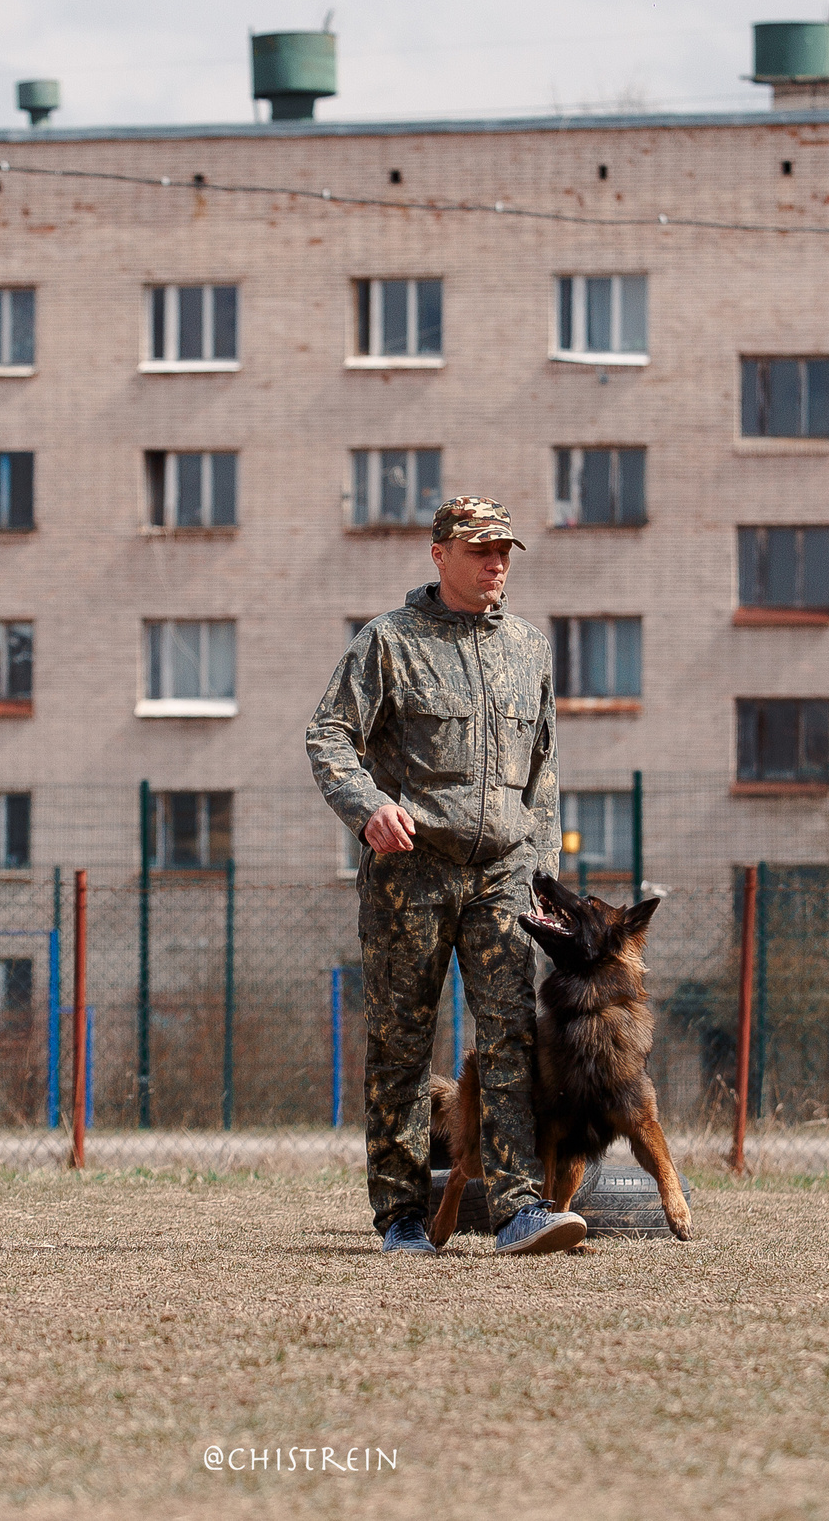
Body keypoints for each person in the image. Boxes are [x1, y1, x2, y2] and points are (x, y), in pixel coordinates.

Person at [305, 497, 581, 1256]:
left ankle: (521, 1205)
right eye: (481, 549)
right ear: (440, 554)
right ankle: (400, 1215)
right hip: (411, 875)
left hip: (503, 877)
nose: (496, 562)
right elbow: (328, 734)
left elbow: (545, 771)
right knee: (401, 1044)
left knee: (511, 1040)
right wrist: (367, 807)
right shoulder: (388, 643)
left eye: (504, 551)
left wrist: (544, 877)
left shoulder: (529, 649)